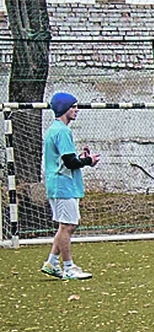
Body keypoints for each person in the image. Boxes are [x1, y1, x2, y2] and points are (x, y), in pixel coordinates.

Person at [40, 92, 100, 280]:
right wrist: (88, 161)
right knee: (68, 225)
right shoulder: (62, 131)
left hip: (59, 184)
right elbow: (69, 162)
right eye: (73, 107)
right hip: (62, 184)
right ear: (64, 109)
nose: (76, 110)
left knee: (66, 225)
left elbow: (68, 159)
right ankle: (68, 267)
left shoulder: (55, 130)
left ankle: (51, 262)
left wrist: (81, 159)